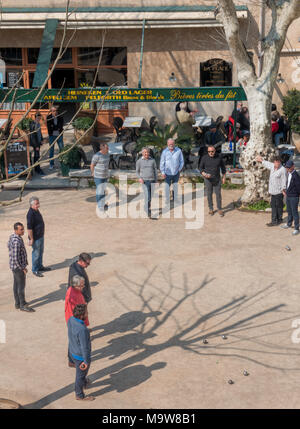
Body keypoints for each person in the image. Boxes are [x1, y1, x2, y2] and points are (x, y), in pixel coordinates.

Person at [68, 304, 94, 401]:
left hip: (72, 350)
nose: (88, 314)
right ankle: (79, 395)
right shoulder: (82, 330)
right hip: (80, 357)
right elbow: (85, 348)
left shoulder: (71, 319)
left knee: (81, 375)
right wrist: (86, 361)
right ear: (82, 315)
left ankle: (84, 382)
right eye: (86, 312)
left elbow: (71, 334)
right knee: (80, 376)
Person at [7, 222, 35, 312]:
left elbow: (8, 245)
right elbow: (15, 258)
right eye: (21, 229)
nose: (23, 231)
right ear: (16, 230)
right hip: (18, 268)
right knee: (21, 286)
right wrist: (22, 268)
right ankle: (22, 305)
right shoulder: (16, 241)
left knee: (16, 285)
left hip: (14, 267)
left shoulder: (13, 237)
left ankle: (17, 303)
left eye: (23, 229)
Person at [256, 155, 287, 226]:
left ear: (280, 162)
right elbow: (267, 164)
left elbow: (284, 180)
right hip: (272, 191)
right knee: (274, 206)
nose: (276, 164)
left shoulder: (283, 169)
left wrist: (283, 189)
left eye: (278, 162)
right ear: (274, 162)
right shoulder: (272, 166)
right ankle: (278, 219)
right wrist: (261, 160)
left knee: (278, 206)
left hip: (279, 191)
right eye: (275, 162)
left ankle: (275, 220)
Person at [26, 196, 51, 277]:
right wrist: (31, 239)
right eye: (37, 204)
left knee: (40, 252)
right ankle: (35, 269)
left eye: (38, 203)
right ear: (31, 205)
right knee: (36, 253)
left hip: (40, 236)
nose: (38, 205)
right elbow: (29, 229)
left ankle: (40, 266)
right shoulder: (30, 214)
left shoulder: (36, 210)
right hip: (35, 238)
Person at [199, 145, 226, 216]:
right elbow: (200, 168)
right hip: (208, 179)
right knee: (209, 194)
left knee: (218, 194)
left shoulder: (219, 157)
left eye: (212, 151)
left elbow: (223, 168)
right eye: (209, 151)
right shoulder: (204, 158)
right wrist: (204, 174)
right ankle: (211, 209)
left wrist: (224, 177)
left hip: (217, 178)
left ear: (215, 151)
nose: (211, 153)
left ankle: (219, 209)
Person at [160, 138, 184, 205]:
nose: (171, 145)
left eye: (172, 143)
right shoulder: (164, 152)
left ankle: (175, 199)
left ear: (174, 144)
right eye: (170, 144)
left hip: (176, 173)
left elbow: (182, 161)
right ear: (167, 144)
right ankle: (167, 199)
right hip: (167, 173)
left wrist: (179, 169)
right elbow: (162, 162)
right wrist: (162, 172)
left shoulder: (178, 150)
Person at [136, 147, 158, 218]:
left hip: (152, 180)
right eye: (145, 152)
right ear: (142, 153)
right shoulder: (139, 161)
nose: (146, 153)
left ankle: (146, 207)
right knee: (147, 196)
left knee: (150, 196)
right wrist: (140, 178)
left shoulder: (153, 160)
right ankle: (148, 211)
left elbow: (155, 171)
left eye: (147, 152)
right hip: (144, 181)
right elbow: (137, 171)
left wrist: (156, 180)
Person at [281, 160, 300, 235]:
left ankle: (296, 228)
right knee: (289, 211)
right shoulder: (288, 174)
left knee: (294, 212)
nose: (287, 168)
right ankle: (289, 224)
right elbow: (288, 184)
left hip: (294, 197)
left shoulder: (296, 175)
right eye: (286, 167)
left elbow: (298, 187)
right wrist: (286, 191)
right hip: (288, 195)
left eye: (288, 167)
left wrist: (297, 195)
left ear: (293, 166)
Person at [90, 142, 110, 212]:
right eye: (107, 148)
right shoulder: (97, 155)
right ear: (102, 148)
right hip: (98, 176)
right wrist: (92, 173)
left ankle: (103, 204)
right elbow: (92, 165)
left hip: (105, 176)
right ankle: (100, 206)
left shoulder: (107, 154)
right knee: (99, 191)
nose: (108, 149)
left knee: (103, 191)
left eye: (108, 148)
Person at [47, 105, 64, 169]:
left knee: (61, 149)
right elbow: (49, 128)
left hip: (59, 135)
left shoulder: (60, 117)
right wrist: (56, 127)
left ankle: (63, 163)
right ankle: (51, 164)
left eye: (56, 111)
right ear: (51, 111)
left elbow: (60, 126)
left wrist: (53, 127)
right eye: (53, 111)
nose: (55, 112)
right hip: (52, 136)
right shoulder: (49, 117)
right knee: (51, 150)